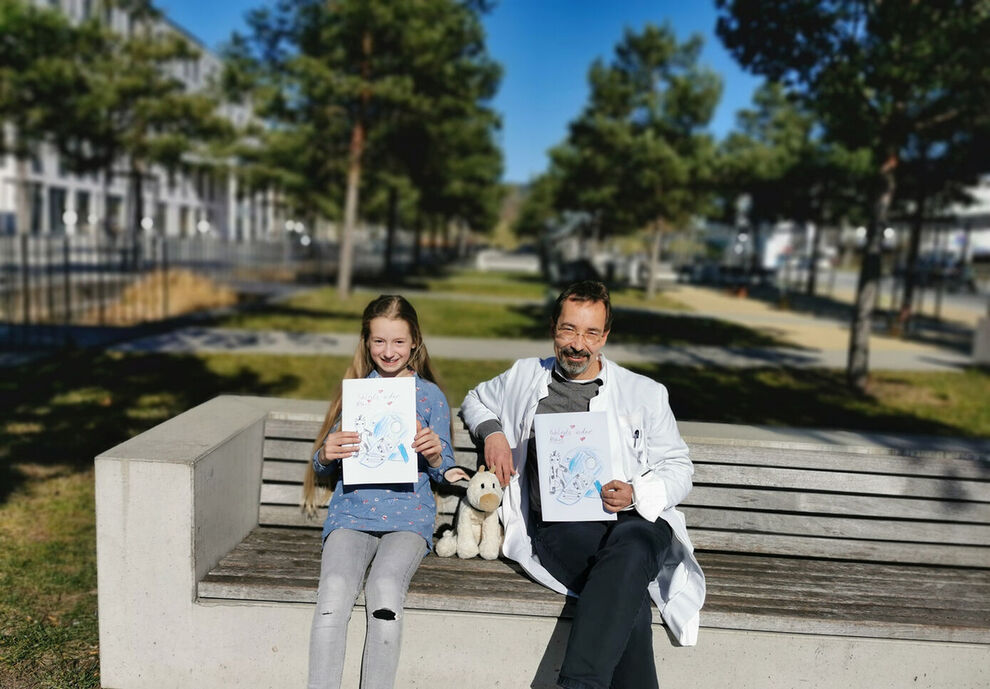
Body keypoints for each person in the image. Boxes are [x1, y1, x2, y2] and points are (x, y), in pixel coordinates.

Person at [460, 280, 705, 689]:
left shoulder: (644, 392)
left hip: (637, 519)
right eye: (569, 329)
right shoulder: (525, 375)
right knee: (627, 597)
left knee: (634, 547)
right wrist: (493, 434)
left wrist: (637, 492)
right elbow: (475, 399)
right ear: (553, 327)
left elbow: (679, 467)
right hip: (563, 529)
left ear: (605, 337)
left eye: (591, 333)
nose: (578, 344)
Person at [303, 294, 461, 689]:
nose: (388, 351)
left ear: (414, 344)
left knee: (385, 588)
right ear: (366, 342)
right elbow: (323, 464)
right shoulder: (359, 394)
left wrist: (438, 454)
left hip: (408, 520)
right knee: (333, 593)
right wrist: (325, 453)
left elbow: (448, 474)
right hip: (351, 516)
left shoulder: (429, 397)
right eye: (378, 341)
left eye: (397, 342)